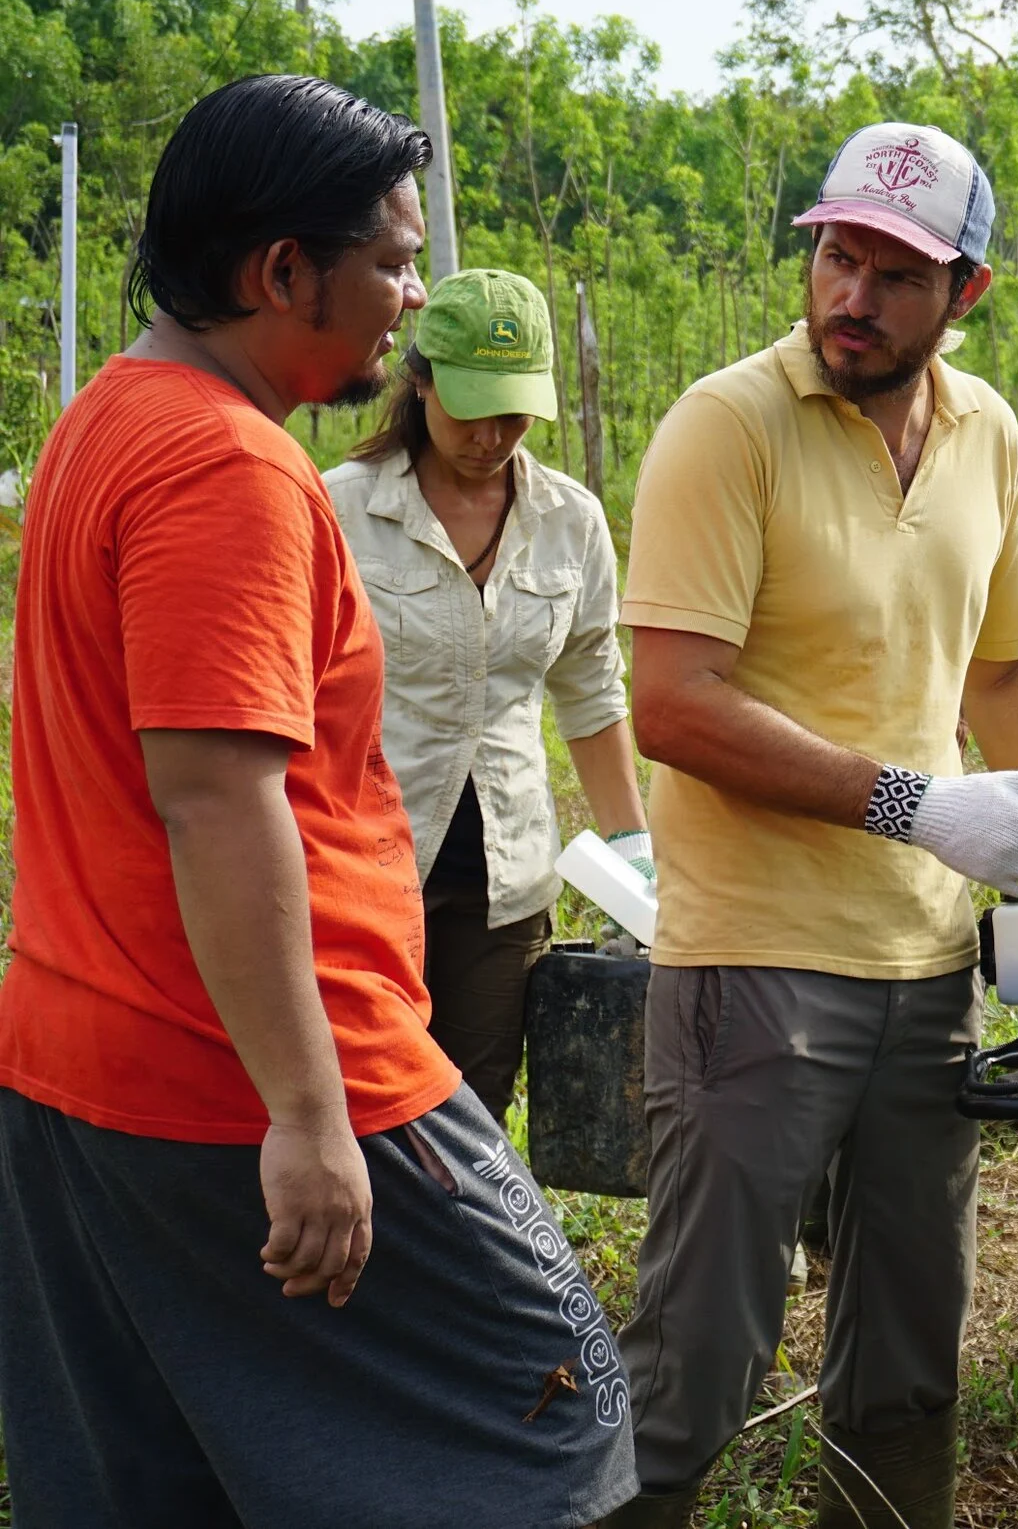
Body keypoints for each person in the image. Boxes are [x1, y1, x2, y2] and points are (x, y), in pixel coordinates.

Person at [0, 75, 635, 1525]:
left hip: (80, 1058)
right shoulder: (231, 471)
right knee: (563, 1411)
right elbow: (219, 800)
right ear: (282, 272)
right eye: (395, 259)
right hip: (274, 1069)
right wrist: (307, 1111)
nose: (414, 296)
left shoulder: (108, 414)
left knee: (152, 1475)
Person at [606, 121, 1018, 1529]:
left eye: (893, 271)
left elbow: (999, 667)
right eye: (836, 254)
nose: (850, 295)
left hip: (925, 974)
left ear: (966, 290)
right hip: (755, 965)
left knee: (909, 1367)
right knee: (699, 1361)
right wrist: (915, 801)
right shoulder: (728, 424)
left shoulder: (986, 431)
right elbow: (673, 703)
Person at [326, 268, 649, 1125]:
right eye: (471, 407)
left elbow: (590, 689)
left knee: (470, 1114)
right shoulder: (341, 510)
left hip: (503, 880)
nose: (491, 434)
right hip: (363, 862)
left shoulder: (569, 522)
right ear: (420, 381)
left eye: (513, 412)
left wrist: (634, 853)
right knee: (353, 1098)